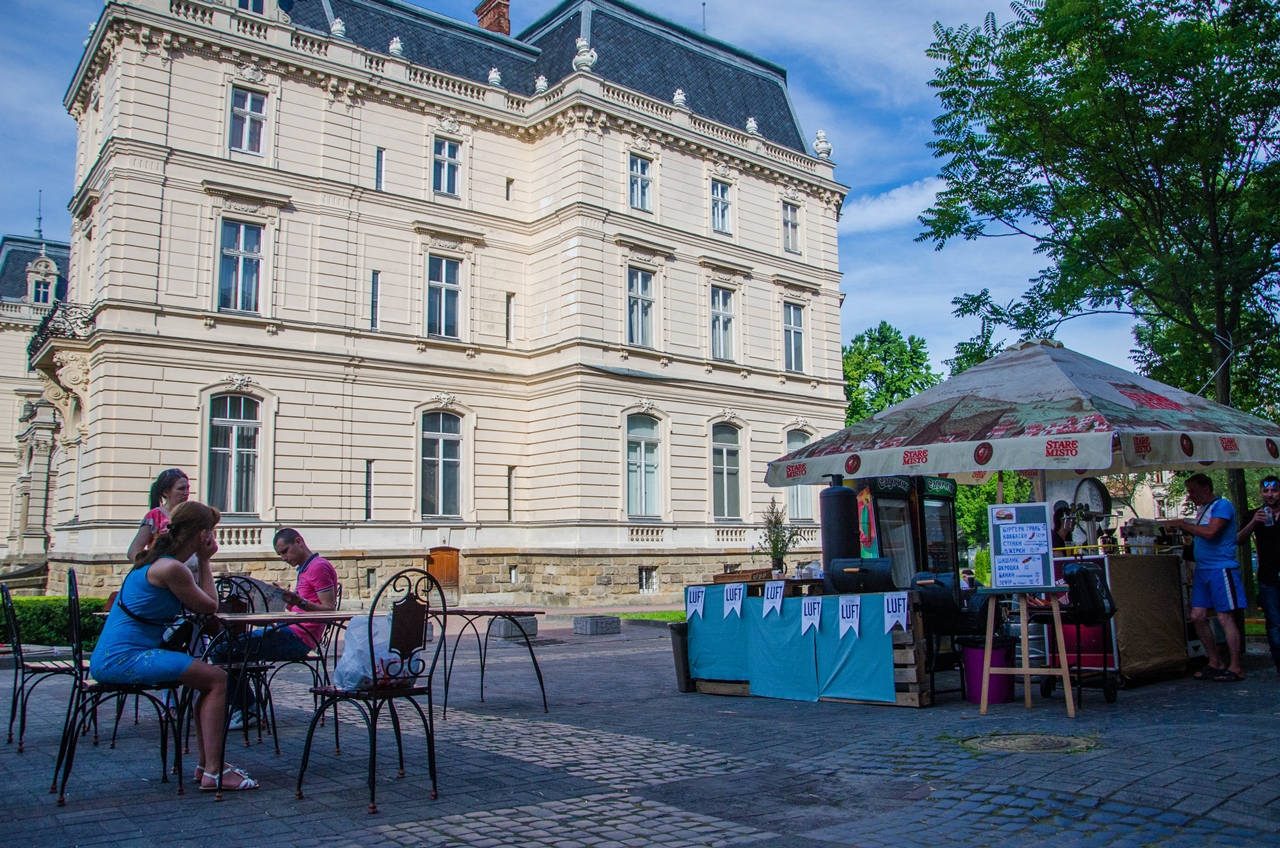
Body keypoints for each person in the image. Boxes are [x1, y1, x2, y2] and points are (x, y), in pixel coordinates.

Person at [89, 501, 257, 791]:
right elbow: (210, 605)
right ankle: (214, 771)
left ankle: (208, 766)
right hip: (124, 659)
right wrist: (205, 561)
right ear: (203, 535)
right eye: (212, 532)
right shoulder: (171, 569)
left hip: (115, 656)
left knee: (207, 681)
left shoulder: (156, 562)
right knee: (218, 680)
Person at [219, 528, 338, 729]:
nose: (284, 558)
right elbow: (303, 607)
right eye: (280, 554)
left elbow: (329, 610)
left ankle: (247, 708)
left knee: (223, 649)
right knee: (229, 647)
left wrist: (298, 602)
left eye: (285, 551)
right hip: (292, 630)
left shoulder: (318, 567)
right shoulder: (305, 569)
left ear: (298, 542)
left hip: (299, 637)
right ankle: (246, 705)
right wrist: (284, 599)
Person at [1166, 473, 1245, 682]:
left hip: (1221, 568)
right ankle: (1214, 661)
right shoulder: (1203, 510)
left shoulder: (1222, 506)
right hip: (1203, 569)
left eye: (1192, 491)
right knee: (1197, 616)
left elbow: (1211, 532)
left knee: (1224, 617)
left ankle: (1236, 666)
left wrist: (1183, 524)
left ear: (1206, 488)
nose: (1189, 496)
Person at [1238, 475, 1280, 673]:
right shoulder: (1254, 515)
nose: (1270, 495)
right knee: (1274, 622)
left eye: (1274, 490)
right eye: (1266, 491)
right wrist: (1253, 522)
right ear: (1261, 493)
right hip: (1268, 577)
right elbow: (1238, 540)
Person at [126, 469, 191, 566]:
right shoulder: (155, 516)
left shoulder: (192, 514)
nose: (186, 493)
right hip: (165, 572)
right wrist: (152, 569)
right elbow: (133, 552)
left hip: (192, 572)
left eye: (187, 488)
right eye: (181, 489)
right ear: (166, 492)